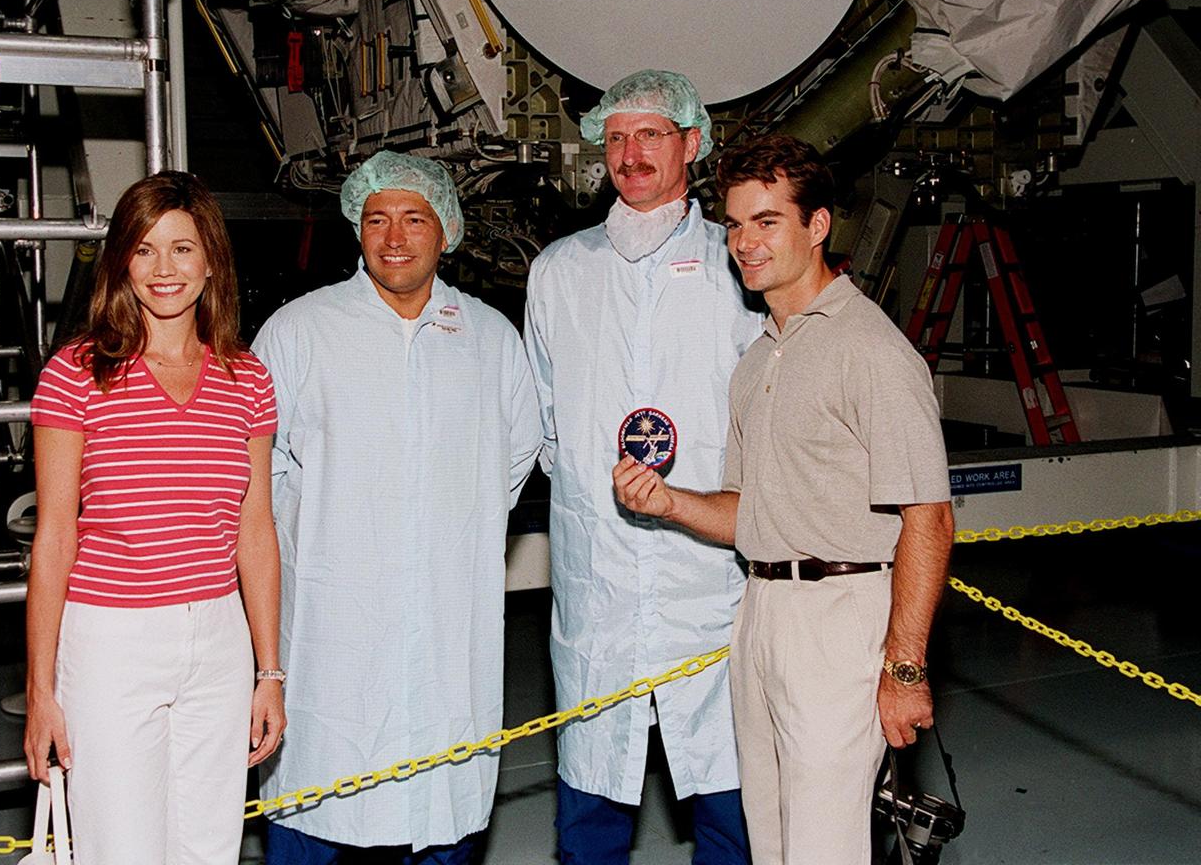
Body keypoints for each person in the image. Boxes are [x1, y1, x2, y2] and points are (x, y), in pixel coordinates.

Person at [612, 134, 955, 864]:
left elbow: (929, 517)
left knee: (824, 847)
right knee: (770, 843)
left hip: (842, 617)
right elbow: (749, 511)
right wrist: (668, 501)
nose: (745, 242)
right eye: (735, 225)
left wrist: (904, 668)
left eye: (767, 221)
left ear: (818, 225)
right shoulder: (760, 356)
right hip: (761, 611)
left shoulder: (870, 350)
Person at [254, 151, 541, 864]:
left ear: (447, 229)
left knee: (439, 802)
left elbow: (516, 452)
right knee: (321, 799)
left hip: (449, 626)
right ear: (356, 227)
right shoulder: (298, 333)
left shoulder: (488, 338)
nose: (394, 238)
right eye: (377, 219)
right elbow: (260, 476)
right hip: (329, 634)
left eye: (415, 219)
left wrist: (446, 520)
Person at [524, 69, 761, 864]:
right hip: (602, 579)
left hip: (711, 574)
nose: (631, 154)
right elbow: (548, 416)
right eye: (617, 137)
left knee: (728, 783)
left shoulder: (737, 268)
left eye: (651, 135)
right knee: (594, 784)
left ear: (691, 144)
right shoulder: (560, 269)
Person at [25, 171, 286, 865]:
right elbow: (53, 538)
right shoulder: (77, 373)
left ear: (210, 261)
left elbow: (255, 533)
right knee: (122, 852)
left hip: (218, 640)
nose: (164, 269)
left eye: (182, 248)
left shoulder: (247, 377)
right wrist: (40, 688)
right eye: (144, 250)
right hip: (112, 640)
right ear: (121, 262)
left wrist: (270, 671)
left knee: (209, 849)